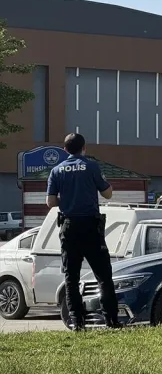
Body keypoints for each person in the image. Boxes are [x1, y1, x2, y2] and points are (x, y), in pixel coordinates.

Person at [46, 133, 121, 331]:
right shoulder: (92, 166)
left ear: (65, 150)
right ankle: (111, 321)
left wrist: (68, 200)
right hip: (91, 226)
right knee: (103, 276)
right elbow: (108, 193)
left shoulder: (56, 171)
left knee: (71, 277)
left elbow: (50, 202)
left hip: (69, 227)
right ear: (84, 148)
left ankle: (76, 322)